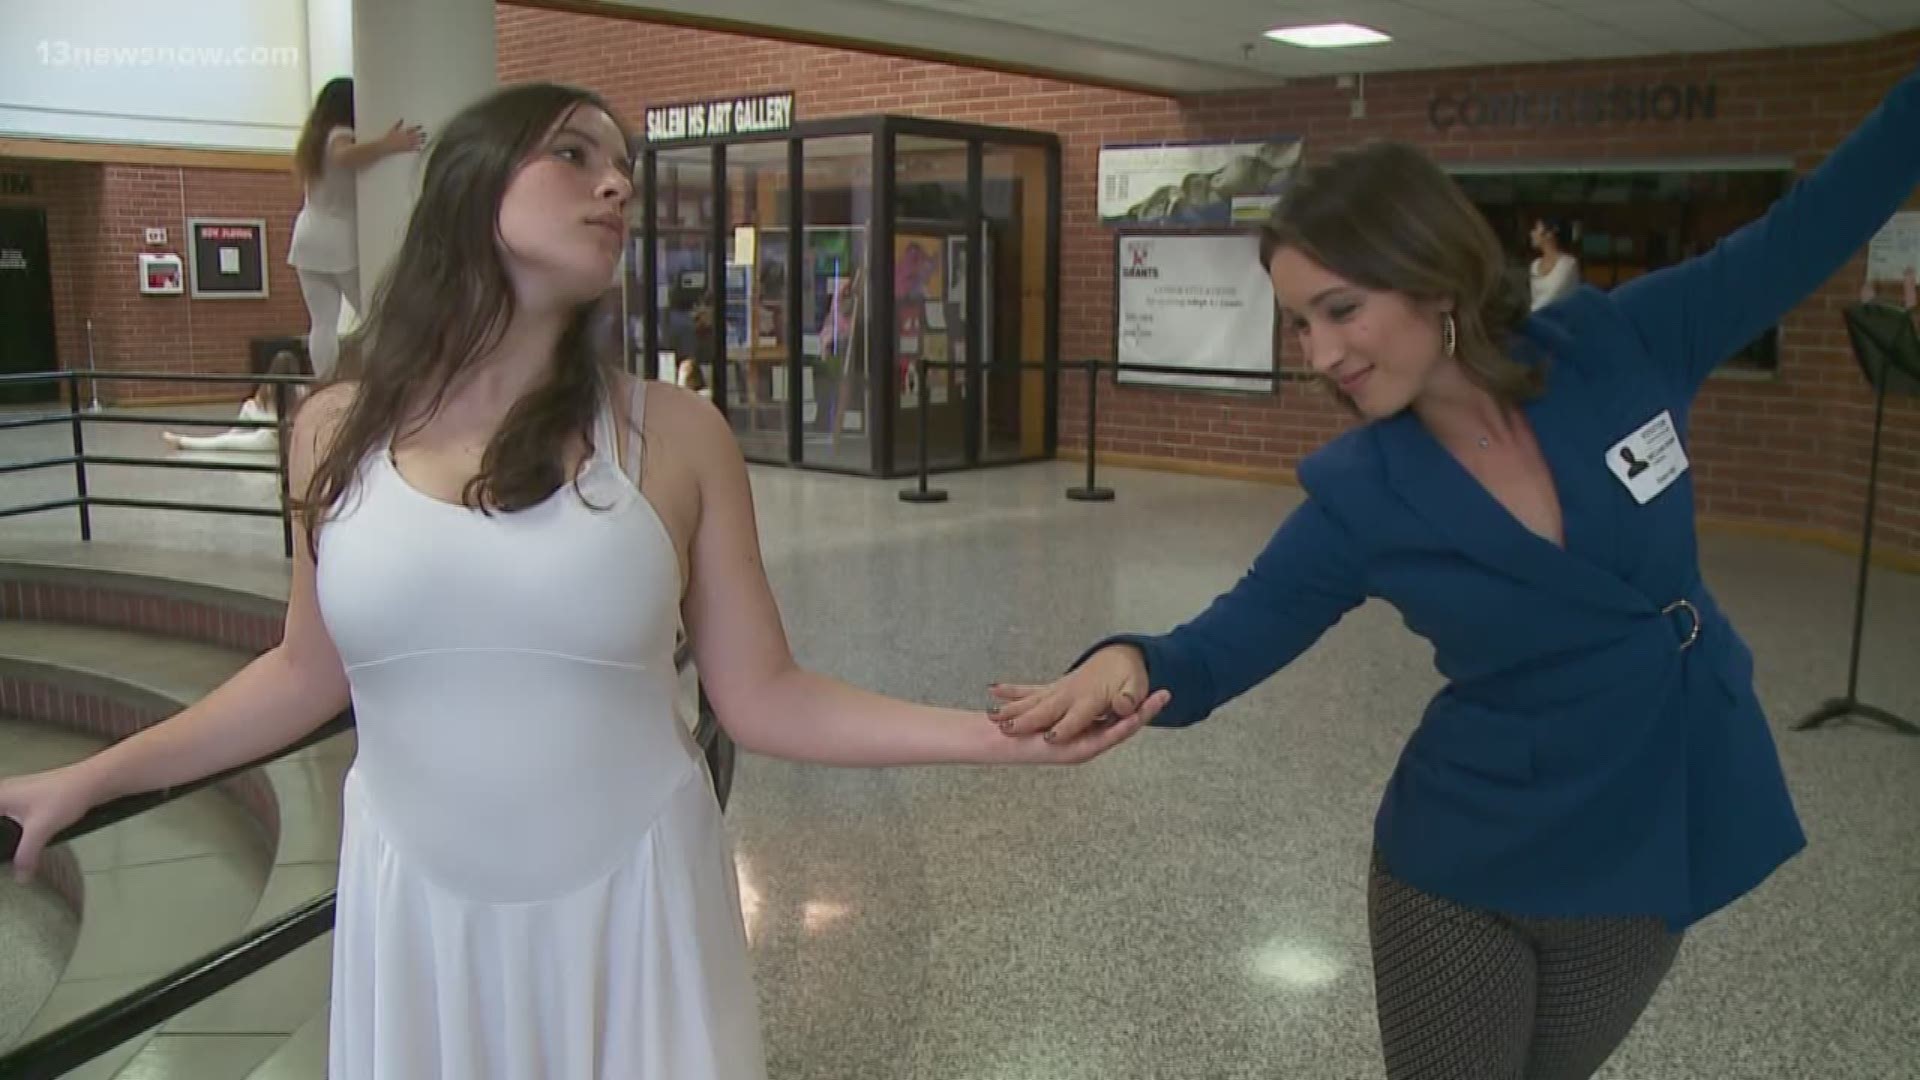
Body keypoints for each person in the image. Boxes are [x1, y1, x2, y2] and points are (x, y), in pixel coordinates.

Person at [0, 83, 1161, 1079]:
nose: (615, 187)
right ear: (469, 188)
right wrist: (94, 778)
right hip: (421, 917)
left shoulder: (679, 436)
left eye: (624, 169)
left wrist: (999, 738)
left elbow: (764, 696)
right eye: (573, 155)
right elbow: (305, 672)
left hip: (634, 906)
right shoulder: (331, 429)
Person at [988, 59, 1920, 1080]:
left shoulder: (1619, 343)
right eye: (1300, 322)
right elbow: (1236, 630)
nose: (1320, 351)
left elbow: (1822, 217)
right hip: (1464, 868)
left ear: (1432, 276)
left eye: (1340, 309)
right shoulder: (1363, 489)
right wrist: (1127, 657)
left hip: (1652, 823)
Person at [288, 76, 426, 379]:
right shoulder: (341, 133)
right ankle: (388, 377)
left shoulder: (312, 140)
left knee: (322, 322)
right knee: (374, 314)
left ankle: (324, 381)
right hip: (338, 238)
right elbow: (343, 155)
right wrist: (388, 145)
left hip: (307, 233)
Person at [161, 350, 306, 453]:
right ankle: (233, 433)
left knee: (225, 441)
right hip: (283, 436)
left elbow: (275, 424)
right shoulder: (299, 389)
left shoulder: (273, 388)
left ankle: (183, 441)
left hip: (274, 438)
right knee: (247, 408)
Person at [1527, 216, 1580, 311]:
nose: (1532, 233)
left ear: (1549, 234)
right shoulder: (1535, 265)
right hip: (1539, 320)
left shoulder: (1568, 264)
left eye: (1536, 229)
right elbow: (1535, 298)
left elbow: (1551, 297)